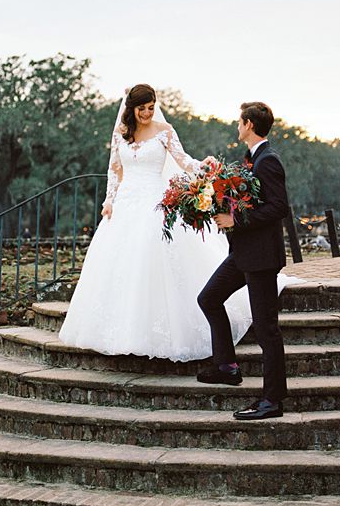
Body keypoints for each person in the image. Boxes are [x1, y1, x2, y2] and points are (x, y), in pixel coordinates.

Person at [58, 85, 298, 362]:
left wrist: (205, 167)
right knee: (119, 265)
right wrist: (109, 199)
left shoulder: (165, 130)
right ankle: (118, 331)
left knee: (153, 261)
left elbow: (184, 162)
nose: (147, 113)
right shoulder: (120, 135)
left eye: (151, 107)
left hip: (153, 202)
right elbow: (115, 170)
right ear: (131, 109)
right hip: (125, 205)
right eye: (142, 108)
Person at [197, 101, 290, 420]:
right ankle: (226, 366)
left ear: (249, 124)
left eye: (240, 122)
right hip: (243, 254)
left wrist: (237, 220)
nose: (237, 126)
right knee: (209, 298)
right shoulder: (250, 161)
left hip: (262, 258)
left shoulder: (268, 161)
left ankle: (272, 401)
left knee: (266, 329)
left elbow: (279, 208)